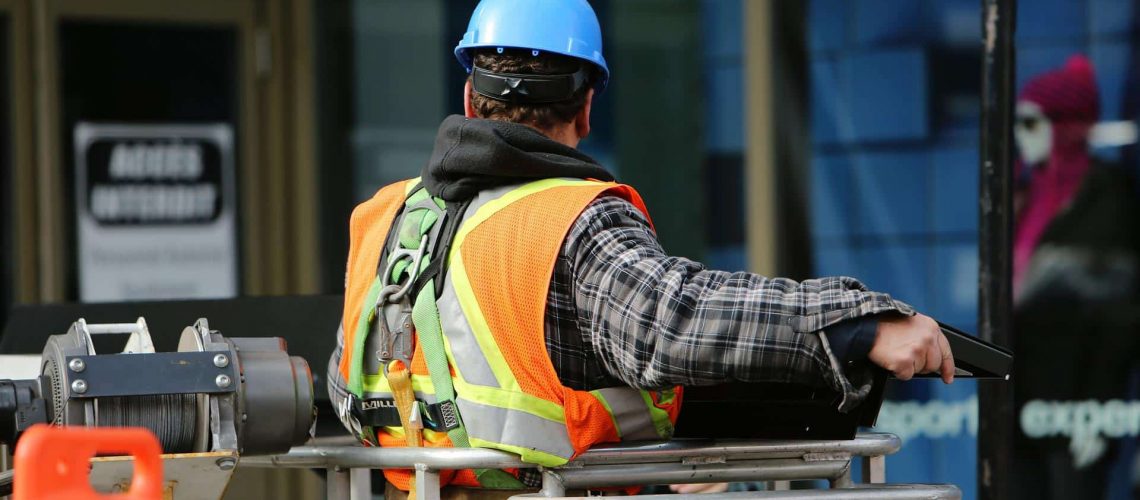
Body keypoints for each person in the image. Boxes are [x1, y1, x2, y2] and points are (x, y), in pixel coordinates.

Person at [327, 0, 955, 497]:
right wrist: (854, 325)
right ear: (588, 106)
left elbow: (348, 385)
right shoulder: (570, 220)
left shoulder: (383, 217)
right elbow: (671, 323)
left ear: (469, 98)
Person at [1010, 56, 1140, 500]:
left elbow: (1119, 315)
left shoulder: (1108, 197)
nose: (1019, 136)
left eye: (1031, 123)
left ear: (1064, 126)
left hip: (1075, 404)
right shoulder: (1021, 195)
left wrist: (1098, 411)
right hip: (1018, 402)